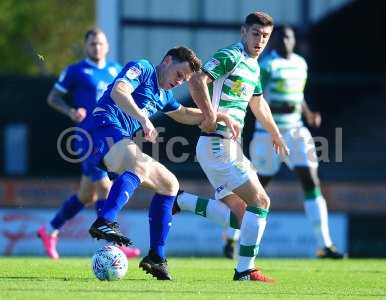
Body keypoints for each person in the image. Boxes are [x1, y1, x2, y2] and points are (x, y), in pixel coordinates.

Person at [86, 46, 239, 280]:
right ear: (167, 61)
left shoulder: (164, 95)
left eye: (185, 80)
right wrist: (143, 118)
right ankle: (105, 220)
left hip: (116, 138)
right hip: (100, 128)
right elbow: (119, 91)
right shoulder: (144, 68)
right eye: (179, 75)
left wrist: (217, 115)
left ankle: (156, 257)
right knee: (138, 164)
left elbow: (184, 114)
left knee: (170, 185)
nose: (180, 83)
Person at [175, 12, 289, 282]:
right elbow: (196, 80)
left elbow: (258, 103)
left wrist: (276, 133)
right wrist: (211, 115)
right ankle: (245, 269)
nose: (259, 41)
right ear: (243, 32)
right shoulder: (232, 55)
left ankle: (181, 201)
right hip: (218, 143)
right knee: (261, 201)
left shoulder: (254, 66)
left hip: (226, 146)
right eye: (255, 34)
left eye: (265, 36)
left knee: (242, 217)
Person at [37, 28, 140, 259]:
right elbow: (53, 97)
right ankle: (113, 245)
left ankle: (49, 230)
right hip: (87, 138)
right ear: (86, 46)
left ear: (107, 46)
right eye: (92, 44)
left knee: (87, 195)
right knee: (105, 186)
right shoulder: (75, 71)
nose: (97, 47)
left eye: (100, 43)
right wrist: (71, 110)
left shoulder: (116, 69)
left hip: (109, 136)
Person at [246, 25, 343, 259]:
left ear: (294, 40)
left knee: (311, 180)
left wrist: (308, 114)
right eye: (278, 38)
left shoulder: (301, 63)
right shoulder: (268, 64)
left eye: (287, 37)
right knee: (256, 188)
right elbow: (254, 97)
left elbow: (298, 95)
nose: (283, 41)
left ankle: (325, 245)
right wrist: (281, 108)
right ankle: (233, 237)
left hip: (296, 131)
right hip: (267, 133)